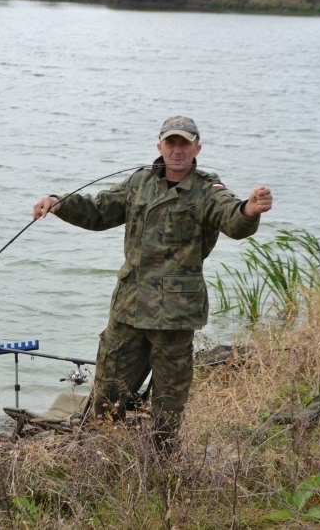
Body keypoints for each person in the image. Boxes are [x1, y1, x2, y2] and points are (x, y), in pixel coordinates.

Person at [32, 116, 273, 448]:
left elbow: (232, 220)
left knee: (169, 401)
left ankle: (161, 465)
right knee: (108, 391)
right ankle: (99, 454)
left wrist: (249, 211)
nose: (177, 150)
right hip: (129, 307)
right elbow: (100, 212)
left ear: (197, 148)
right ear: (159, 146)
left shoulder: (208, 189)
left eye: (184, 144)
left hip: (174, 314)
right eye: (171, 143)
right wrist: (61, 204)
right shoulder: (139, 182)